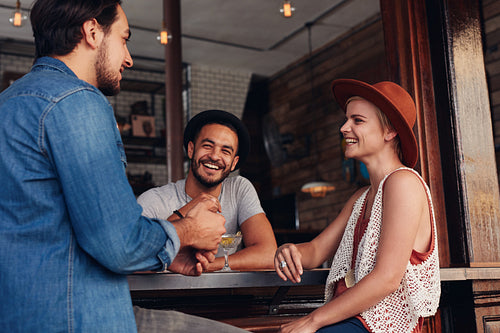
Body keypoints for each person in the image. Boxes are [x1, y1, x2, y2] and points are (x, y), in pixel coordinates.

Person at [0, 1, 247, 332]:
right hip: (81, 316)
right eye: (124, 38)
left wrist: (168, 251)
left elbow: (52, 229)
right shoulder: (78, 101)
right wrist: (188, 230)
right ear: (91, 33)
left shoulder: (9, 103)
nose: (128, 58)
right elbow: (120, 244)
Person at [274, 79, 440, 333]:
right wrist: (289, 250)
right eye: (346, 120)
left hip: (379, 326)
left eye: (357, 121)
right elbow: (316, 251)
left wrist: (312, 320)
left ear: (389, 131)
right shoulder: (361, 197)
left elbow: (387, 279)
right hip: (351, 318)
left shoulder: (404, 183)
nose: (343, 128)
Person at [138, 109, 277, 271]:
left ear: (233, 163)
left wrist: (204, 267)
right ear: (191, 150)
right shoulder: (154, 200)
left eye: (225, 151)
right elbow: (133, 254)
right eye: (207, 146)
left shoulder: (239, 190)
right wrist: (193, 205)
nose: (215, 156)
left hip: (228, 294)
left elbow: (268, 253)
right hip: (167, 295)